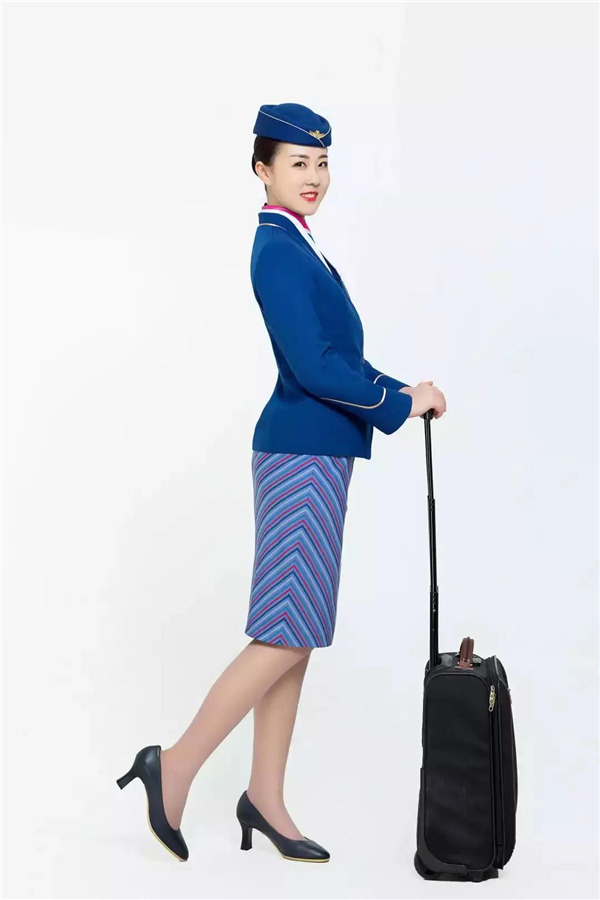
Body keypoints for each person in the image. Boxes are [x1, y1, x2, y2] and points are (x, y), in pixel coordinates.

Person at [116, 102, 447, 865]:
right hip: (301, 455)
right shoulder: (277, 250)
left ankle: (265, 796)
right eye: (299, 162)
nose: (315, 176)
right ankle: (176, 765)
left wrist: (404, 390)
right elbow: (314, 367)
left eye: (322, 163)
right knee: (286, 631)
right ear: (262, 170)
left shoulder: (299, 244)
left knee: (295, 632)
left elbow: (338, 358)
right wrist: (398, 404)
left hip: (316, 453)